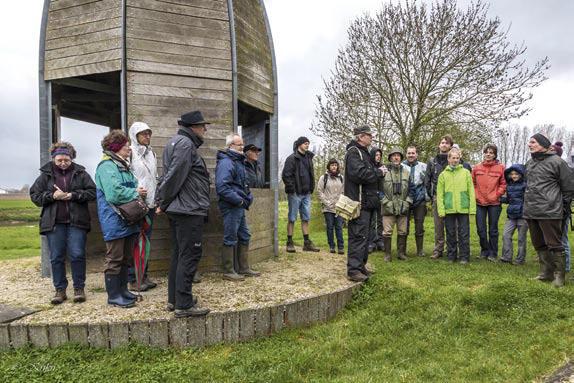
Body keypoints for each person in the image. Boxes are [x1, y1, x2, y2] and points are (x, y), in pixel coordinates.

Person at [157, 111, 211, 316]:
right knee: (189, 255)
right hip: (189, 209)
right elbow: (174, 177)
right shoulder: (186, 145)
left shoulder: (174, 143)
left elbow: (167, 175)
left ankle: (175, 298)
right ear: (192, 127)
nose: (205, 129)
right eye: (202, 126)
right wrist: (163, 200)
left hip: (181, 208)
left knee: (179, 254)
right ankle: (184, 304)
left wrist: (164, 201)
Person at [30, 142, 96, 305]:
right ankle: (60, 290)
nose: (63, 163)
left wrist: (73, 195)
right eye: (59, 160)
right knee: (57, 257)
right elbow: (35, 196)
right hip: (54, 223)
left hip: (77, 222)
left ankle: (79, 288)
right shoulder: (45, 175)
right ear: (53, 159)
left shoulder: (81, 173)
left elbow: (92, 193)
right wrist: (53, 196)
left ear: (71, 158)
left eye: (66, 160)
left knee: (77, 254)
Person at [95, 130, 145, 308]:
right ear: (116, 148)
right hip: (114, 219)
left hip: (127, 218)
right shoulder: (107, 166)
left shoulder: (122, 164)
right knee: (115, 258)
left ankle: (123, 291)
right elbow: (114, 193)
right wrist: (135, 193)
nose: (129, 149)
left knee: (125, 258)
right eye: (125, 146)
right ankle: (114, 296)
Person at [524, 133, 574, 288]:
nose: (529, 144)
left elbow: (568, 187)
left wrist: (563, 206)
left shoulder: (558, 162)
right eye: (529, 142)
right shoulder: (530, 163)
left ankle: (560, 276)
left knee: (555, 244)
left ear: (543, 144)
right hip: (531, 210)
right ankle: (546, 273)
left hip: (550, 210)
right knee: (538, 243)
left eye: (533, 142)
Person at [215, 133, 261, 281]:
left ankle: (244, 267)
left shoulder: (238, 161)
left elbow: (244, 184)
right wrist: (239, 201)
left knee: (244, 235)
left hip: (239, 205)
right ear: (230, 146)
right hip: (231, 205)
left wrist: (248, 198)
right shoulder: (227, 162)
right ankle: (228, 270)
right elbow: (222, 187)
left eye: (242, 144)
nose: (242, 147)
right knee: (230, 236)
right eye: (239, 144)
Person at [344, 125, 386, 282]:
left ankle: (361, 266)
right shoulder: (353, 153)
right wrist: (379, 172)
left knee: (365, 237)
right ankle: (353, 270)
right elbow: (359, 174)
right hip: (358, 202)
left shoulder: (364, 154)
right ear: (360, 137)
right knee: (357, 235)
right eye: (369, 135)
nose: (372, 137)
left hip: (367, 203)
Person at [127, 122, 158, 291]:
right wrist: (134, 191)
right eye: (143, 133)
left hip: (150, 204)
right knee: (135, 241)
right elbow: (126, 175)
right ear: (135, 135)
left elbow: (155, 177)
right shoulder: (130, 152)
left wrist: (157, 199)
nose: (147, 136)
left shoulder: (152, 153)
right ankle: (133, 278)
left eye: (149, 133)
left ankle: (144, 275)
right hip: (136, 204)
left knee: (146, 241)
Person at [437, 147, 476, 264]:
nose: (455, 160)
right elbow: (440, 194)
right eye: (453, 158)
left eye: (457, 158)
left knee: (464, 233)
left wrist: (472, 209)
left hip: (463, 208)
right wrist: (441, 210)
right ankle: (451, 256)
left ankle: (464, 256)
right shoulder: (443, 175)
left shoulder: (466, 173)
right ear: (448, 159)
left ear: (460, 159)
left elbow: (471, 191)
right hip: (449, 208)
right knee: (450, 233)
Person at [282, 136, 320, 252]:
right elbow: (286, 175)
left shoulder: (309, 158)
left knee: (306, 218)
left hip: (306, 193)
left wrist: (311, 188)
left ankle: (307, 243)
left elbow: (310, 174)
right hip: (295, 193)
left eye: (308, 143)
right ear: (299, 145)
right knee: (292, 218)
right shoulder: (292, 158)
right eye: (305, 143)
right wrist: (292, 189)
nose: (307, 145)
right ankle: (289, 242)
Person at [472, 143, 506, 262]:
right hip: (479, 202)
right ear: (484, 153)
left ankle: (493, 253)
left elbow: (503, 184)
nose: (488, 154)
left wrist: (497, 194)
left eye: (491, 152)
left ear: (495, 155)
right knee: (481, 229)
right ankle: (484, 250)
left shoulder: (501, 168)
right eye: (487, 152)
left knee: (493, 229)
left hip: (494, 203)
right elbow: (473, 183)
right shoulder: (476, 167)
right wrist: (476, 195)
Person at [381, 147, 412, 262]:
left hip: (403, 207)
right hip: (388, 207)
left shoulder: (407, 172)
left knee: (403, 231)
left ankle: (401, 253)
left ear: (401, 158)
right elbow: (378, 190)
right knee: (387, 232)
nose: (396, 157)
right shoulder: (384, 172)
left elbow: (412, 190)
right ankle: (387, 254)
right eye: (393, 155)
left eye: (398, 155)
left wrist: (407, 202)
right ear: (390, 158)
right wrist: (385, 202)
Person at [426, 135, 454, 259]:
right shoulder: (432, 161)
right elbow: (427, 179)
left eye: (446, 143)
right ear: (439, 145)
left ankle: (451, 249)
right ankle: (438, 250)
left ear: (450, 146)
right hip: (437, 197)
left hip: (451, 197)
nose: (444, 145)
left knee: (452, 225)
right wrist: (431, 195)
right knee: (438, 226)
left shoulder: (454, 160)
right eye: (442, 142)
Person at [403, 145, 428, 257]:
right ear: (406, 154)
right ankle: (402, 251)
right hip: (405, 199)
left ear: (417, 154)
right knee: (404, 225)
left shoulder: (424, 166)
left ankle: (420, 251)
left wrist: (425, 196)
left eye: (413, 153)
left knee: (419, 225)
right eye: (409, 153)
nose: (411, 155)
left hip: (419, 200)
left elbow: (427, 182)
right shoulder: (401, 166)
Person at [500, 164, 528, 265]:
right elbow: (508, 199)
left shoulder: (526, 185)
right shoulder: (509, 186)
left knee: (521, 239)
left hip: (523, 216)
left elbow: (528, 200)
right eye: (512, 174)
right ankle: (506, 257)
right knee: (506, 235)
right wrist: (500, 199)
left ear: (521, 174)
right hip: (511, 215)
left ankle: (520, 259)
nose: (514, 176)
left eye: (516, 174)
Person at [317, 158, 345, 254]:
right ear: (329, 166)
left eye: (335, 165)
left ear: (337, 167)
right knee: (330, 227)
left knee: (339, 227)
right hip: (328, 207)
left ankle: (341, 247)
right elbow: (320, 191)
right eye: (332, 165)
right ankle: (332, 246)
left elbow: (344, 191)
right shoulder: (323, 178)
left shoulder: (341, 177)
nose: (334, 166)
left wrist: (341, 203)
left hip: (339, 207)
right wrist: (327, 202)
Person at [552, 142, 572, 274]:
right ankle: (553, 265)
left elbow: (568, 190)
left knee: (562, 239)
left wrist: (564, 206)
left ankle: (565, 266)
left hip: (562, 209)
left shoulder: (563, 168)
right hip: (550, 209)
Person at [368, 148, 384, 253]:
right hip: (371, 196)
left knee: (380, 220)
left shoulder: (383, 168)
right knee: (371, 221)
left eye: (379, 155)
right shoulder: (369, 167)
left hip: (381, 195)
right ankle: (371, 242)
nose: (378, 156)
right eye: (376, 155)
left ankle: (380, 241)